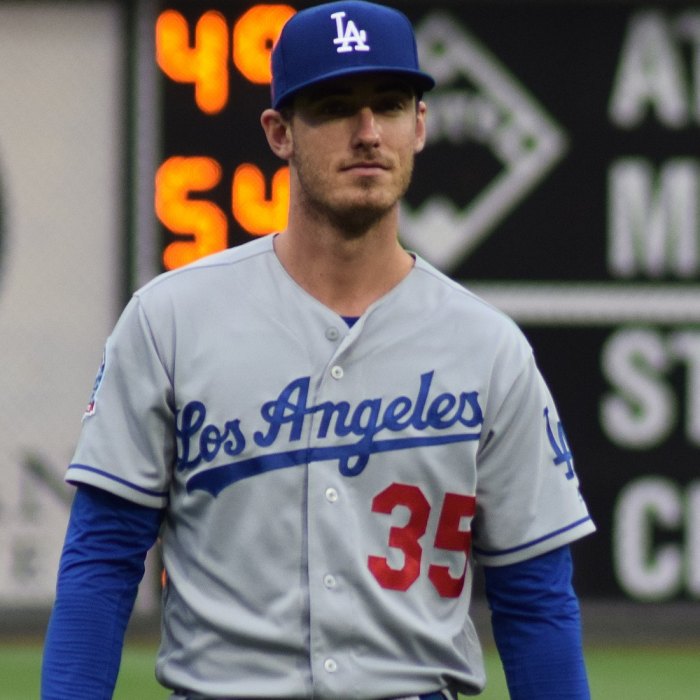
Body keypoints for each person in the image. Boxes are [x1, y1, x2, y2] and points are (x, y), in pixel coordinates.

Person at [41, 1, 596, 698]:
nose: (367, 133)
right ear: (280, 132)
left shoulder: (488, 348)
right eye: (334, 108)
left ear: (420, 125)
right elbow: (102, 559)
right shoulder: (169, 320)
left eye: (389, 105)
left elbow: (536, 600)